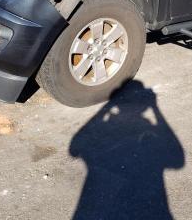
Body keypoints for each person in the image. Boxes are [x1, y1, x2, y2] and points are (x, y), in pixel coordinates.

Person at [70, 80, 185, 220]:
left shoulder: (107, 129)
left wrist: (107, 107)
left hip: (97, 205)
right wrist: (155, 108)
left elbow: (74, 147)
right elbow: (178, 159)